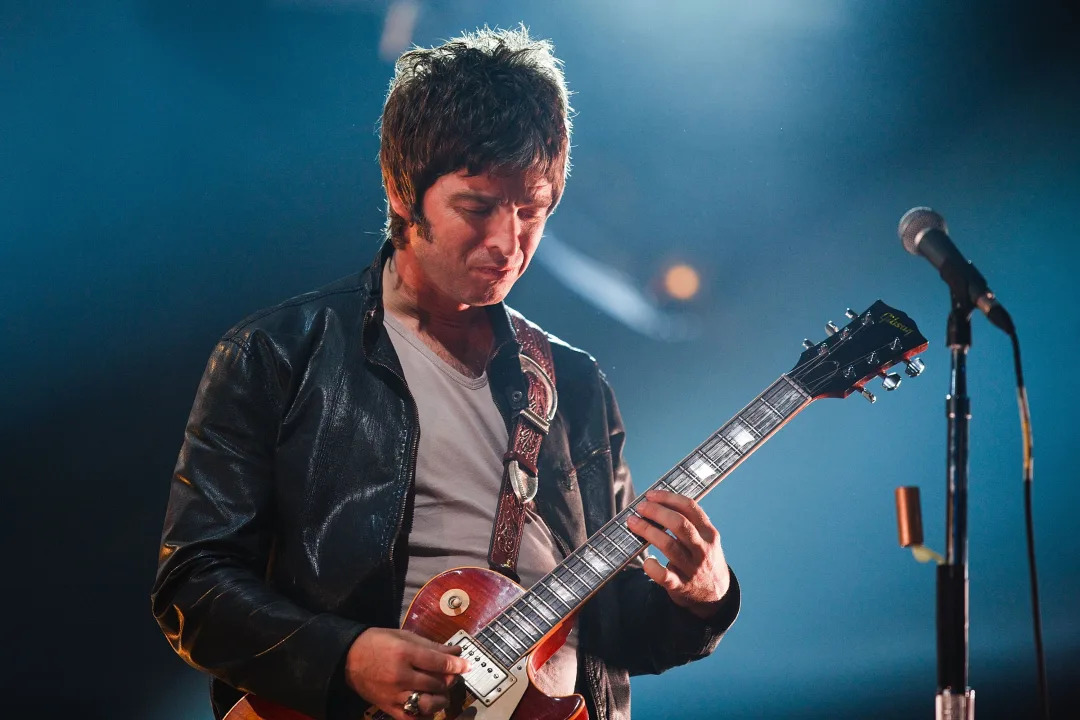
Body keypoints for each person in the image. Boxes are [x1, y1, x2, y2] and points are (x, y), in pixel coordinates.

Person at [152, 26, 739, 720]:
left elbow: (613, 635)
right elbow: (193, 588)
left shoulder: (575, 386)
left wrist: (704, 595)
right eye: (478, 206)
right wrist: (345, 657)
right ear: (402, 188)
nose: (508, 242)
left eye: (532, 210)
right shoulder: (278, 354)